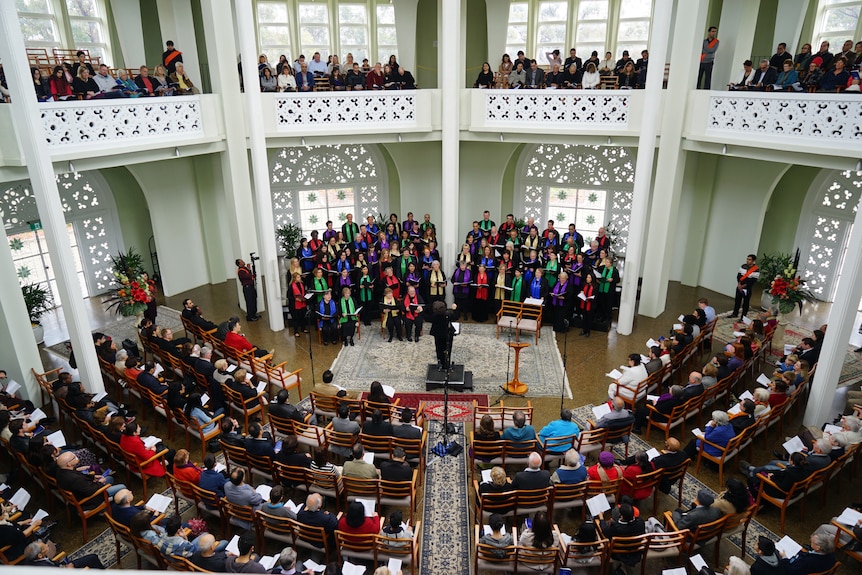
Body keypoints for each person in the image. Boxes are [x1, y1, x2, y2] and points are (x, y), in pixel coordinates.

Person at [25, 540, 105, 569]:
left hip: (62, 567)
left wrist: (64, 566)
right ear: (39, 555)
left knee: (92, 558)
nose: (47, 545)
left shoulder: (31, 560)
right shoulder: (45, 568)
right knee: (92, 558)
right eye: (44, 547)